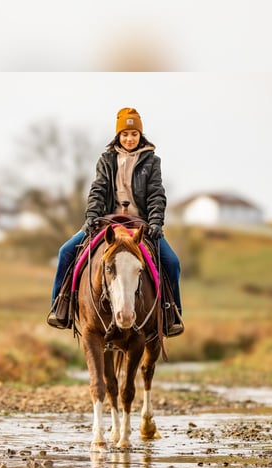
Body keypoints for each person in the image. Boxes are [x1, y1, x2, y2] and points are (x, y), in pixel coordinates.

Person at [46, 107, 183, 337]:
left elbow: (156, 194)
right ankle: (61, 306)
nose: (130, 139)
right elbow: (97, 190)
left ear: (141, 136)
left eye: (134, 134)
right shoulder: (106, 160)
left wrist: (156, 222)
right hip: (106, 223)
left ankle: (171, 314)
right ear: (118, 136)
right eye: (125, 134)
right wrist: (91, 217)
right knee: (65, 252)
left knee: (172, 261)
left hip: (141, 226)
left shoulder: (152, 161)